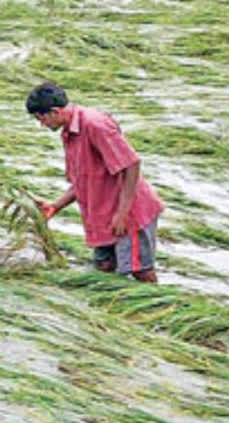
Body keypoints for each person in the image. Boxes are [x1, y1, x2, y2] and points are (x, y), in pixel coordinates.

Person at [27, 82, 164, 282]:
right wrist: (56, 206)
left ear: (54, 112)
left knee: (140, 270)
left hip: (129, 214)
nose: (42, 124)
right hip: (104, 215)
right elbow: (84, 179)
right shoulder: (68, 132)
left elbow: (131, 165)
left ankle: (157, 308)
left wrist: (123, 212)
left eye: (41, 118)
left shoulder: (94, 124)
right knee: (103, 268)